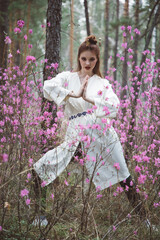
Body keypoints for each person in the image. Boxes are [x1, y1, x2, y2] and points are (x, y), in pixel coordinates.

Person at [33, 35, 149, 226]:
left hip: (101, 134)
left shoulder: (102, 83)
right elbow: (47, 87)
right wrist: (74, 94)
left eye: (92, 59)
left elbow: (114, 106)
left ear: (97, 60)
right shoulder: (67, 77)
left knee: (124, 175)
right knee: (43, 167)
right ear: (79, 58)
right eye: (84, 58)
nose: (87, 63)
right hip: (76, 134)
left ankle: (145, 220)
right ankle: (40, 217)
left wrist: (89, 99)